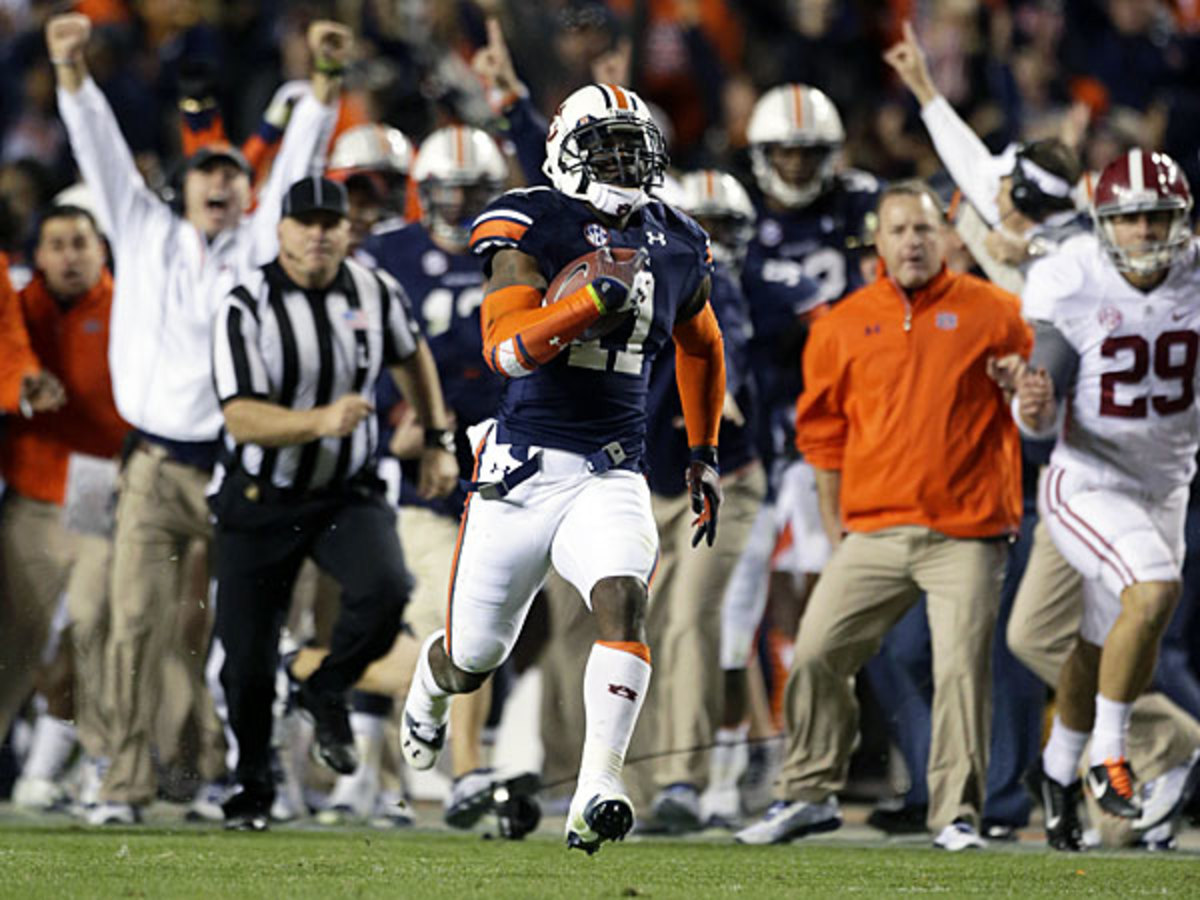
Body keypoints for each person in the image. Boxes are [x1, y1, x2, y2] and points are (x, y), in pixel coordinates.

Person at [399, 82, 727, 854]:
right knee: (475, 656)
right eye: (606, 146)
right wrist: (583, 305)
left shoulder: (678, 239)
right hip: (519, 471)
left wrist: (705, 453)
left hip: (612, 471)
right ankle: (430, 682)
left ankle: (597, 787)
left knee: (623, 598)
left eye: (632, 146)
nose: (622, 161)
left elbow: (702, 345)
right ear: (567, 150)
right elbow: (504, 347)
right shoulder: (532, 221)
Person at [46, 12, 351, 825]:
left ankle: (239, 780)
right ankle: (123, 786)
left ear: (251, 194)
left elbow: (300, 159)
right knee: (133, 628)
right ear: (183, 184)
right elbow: (101, 151)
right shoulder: (141, 232)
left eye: (231, 175)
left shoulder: (260, 248)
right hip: (149, 466)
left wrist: (322, 88)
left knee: (245, 638)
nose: (220, 183)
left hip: (237, 468)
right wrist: (72, 76)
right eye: (206, 172)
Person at [736, 181, 1032, 851]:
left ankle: (956, 814)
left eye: (924, 230)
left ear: (946, 238)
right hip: (873, 530)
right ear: (878, 240)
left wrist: (1028, 392)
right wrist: (835, 524)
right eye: (899, 230)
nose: (913, 242)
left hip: (967, 531)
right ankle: (808, 793)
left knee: (960, 666)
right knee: (815, 653)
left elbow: (1039, 403)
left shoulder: (1000, 312)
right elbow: (821, 435)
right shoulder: (842, 322)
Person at [210, 176, 458, 831]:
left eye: (331, 222)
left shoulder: (375, 291)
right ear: (282, 231)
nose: (319, 232)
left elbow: (413, 356)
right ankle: (252, 790)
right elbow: (239, 418)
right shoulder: (245, 303)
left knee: (386, 592)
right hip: (261, 496)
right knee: (248, 656)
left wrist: (435, 438)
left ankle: (324, 686)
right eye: (305, 221)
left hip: (346, 490)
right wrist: (319, 421)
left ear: (349, 230)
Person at [1015, 149, 1200, 850]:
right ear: (1104, 224)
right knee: (1152, 592)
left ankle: (1058, 774)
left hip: (1166, 484)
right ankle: (1109, 758)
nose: (1148, 232)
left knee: (1106, 637)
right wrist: (1031, 408)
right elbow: (1039, 409)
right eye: (1132, 219)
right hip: (1087, 479)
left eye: (1160, 218)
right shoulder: (1074, 279)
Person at [630, 167, 765, 832]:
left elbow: (725, 341)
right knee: (633, 625)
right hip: (643, 478)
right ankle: (632, 779)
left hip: (718, 478)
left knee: (689, 620)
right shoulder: (621, 271)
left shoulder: (713, 281)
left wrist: (719, 396)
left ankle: (683, 778)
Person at [0, 206, 127, 801]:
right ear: (39, 255)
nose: (70, 255)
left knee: (94, 621)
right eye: (57, 244)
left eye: (80, 242)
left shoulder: (130, 305)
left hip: (97, 483)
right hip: (30, 486)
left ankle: (102, 760)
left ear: (101, 250)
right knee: (13, 639)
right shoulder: (18, 305)